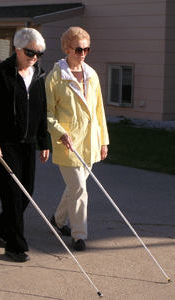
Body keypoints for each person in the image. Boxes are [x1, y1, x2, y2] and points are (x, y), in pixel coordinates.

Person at [0, 27, 49, 262]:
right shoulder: (2, 72)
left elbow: (42, 109)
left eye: (39, 53)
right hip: (5, 144)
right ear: (17, 49)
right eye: (31, 52)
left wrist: (44, 141)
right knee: (12, 195)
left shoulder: (38, 73)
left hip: (28, 143)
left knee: (26, 192)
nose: (34, 58)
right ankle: (15, 245)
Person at [45, 27, 109, 251]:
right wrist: (60, 132)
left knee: (75, 188)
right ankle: (79, 235)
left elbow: (99, 110)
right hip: (67, 144)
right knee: (80, 189)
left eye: (87, 49)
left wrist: (103, 141)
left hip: (90, 143)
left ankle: (58, 220)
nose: (83, 53)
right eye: (79, 49)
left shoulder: (92, 75)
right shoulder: (55, 77)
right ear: (67, 49)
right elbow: (48, 113)